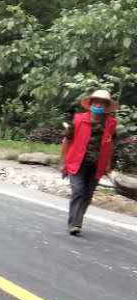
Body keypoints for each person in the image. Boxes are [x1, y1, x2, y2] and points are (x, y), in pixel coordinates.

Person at [61, 89, 119, 235]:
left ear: (106, 106)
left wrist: (108, 165)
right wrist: (63, 163)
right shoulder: (78, 119)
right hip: (76, 162)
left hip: (97, 165)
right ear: (91, 103)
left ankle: (77, 222)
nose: (98, 105)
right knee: (78, 191)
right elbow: (67, 140)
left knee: (87, 195)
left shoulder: (111, 123)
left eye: (102, 103)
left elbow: (110, 143)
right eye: (96, 102)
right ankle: (74, 223)